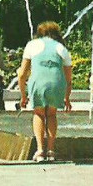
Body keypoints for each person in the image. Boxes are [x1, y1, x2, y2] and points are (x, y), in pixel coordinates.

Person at [19, 21, 73, 162]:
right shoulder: (62, 48)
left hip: (38, 82)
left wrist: (23, 96)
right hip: (57, 83)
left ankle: (40, 151)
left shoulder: (32, 45)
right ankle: (51, 151)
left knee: (39, 113)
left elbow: (22, 74)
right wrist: (67, 98)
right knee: (51, 114)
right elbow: (68, 79)